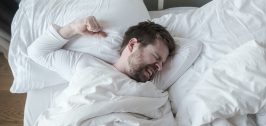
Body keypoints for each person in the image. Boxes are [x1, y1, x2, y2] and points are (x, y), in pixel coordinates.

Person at [28, 16, 175, 83]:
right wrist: (72, 28)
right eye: (156, 57)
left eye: (162, 62)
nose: (160, 67)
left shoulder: (151, 89)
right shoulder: (84, 65)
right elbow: (37, 53)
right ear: (132, 45)